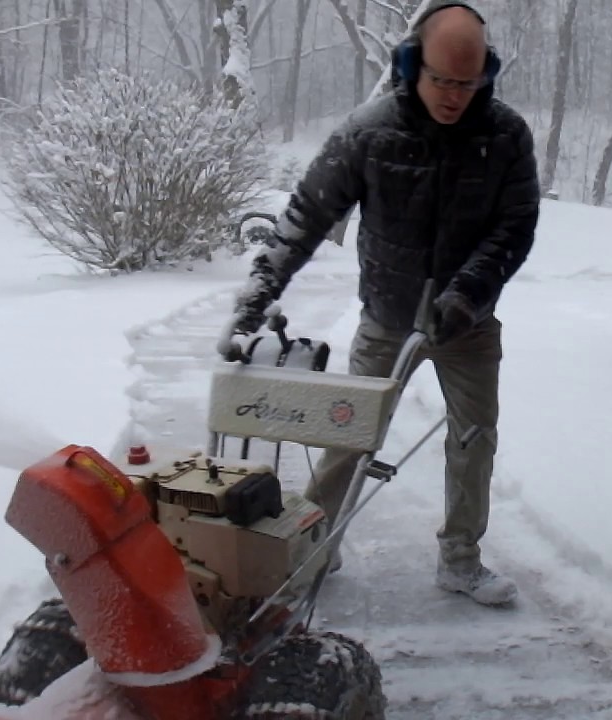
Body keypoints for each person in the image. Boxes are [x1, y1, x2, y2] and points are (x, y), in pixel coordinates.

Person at [218, 1, 539, 606]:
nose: (452, 95)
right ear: (415, 64)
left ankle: (461, 558)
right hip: (387, 318)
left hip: (467, 324)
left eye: (466, 84)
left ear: (484, 77)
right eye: (442, 79)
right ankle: (315, 547)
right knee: (348, 439)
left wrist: (466, 293)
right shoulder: (371, 131)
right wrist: (259, 294)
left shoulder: (505, 137)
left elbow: (515, 225)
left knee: (473, 439)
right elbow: (307, 215)